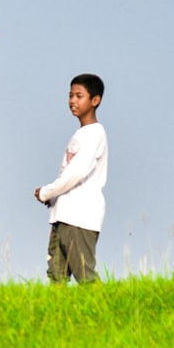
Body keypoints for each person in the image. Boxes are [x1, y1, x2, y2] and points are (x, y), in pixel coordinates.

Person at [34, 74, 109, 284]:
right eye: (70, 95)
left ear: (95, 100)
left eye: (79, 96)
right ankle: (58, 316)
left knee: (84, 274)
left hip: (80, 216)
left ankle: (107, 312)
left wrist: (46, 192)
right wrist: (54, 198)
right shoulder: (81, 133)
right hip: (63, 215)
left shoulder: (95, 133)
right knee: (56, 274)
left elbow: (76, 172)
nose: (72, 101)